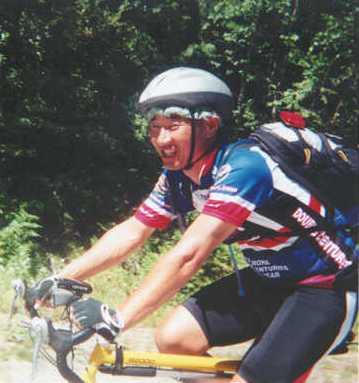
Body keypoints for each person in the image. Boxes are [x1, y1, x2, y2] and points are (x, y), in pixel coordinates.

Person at [33, 67, 358, 383]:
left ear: (210, 125)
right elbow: (134, 230)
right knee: (176, 339)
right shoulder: (179, 179)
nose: (160, 138)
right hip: (269, 282)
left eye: (172, 126)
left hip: (324, 287)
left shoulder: (246, 167)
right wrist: (63, 278)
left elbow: (189, 255)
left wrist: (117, 320)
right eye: (154, 127)